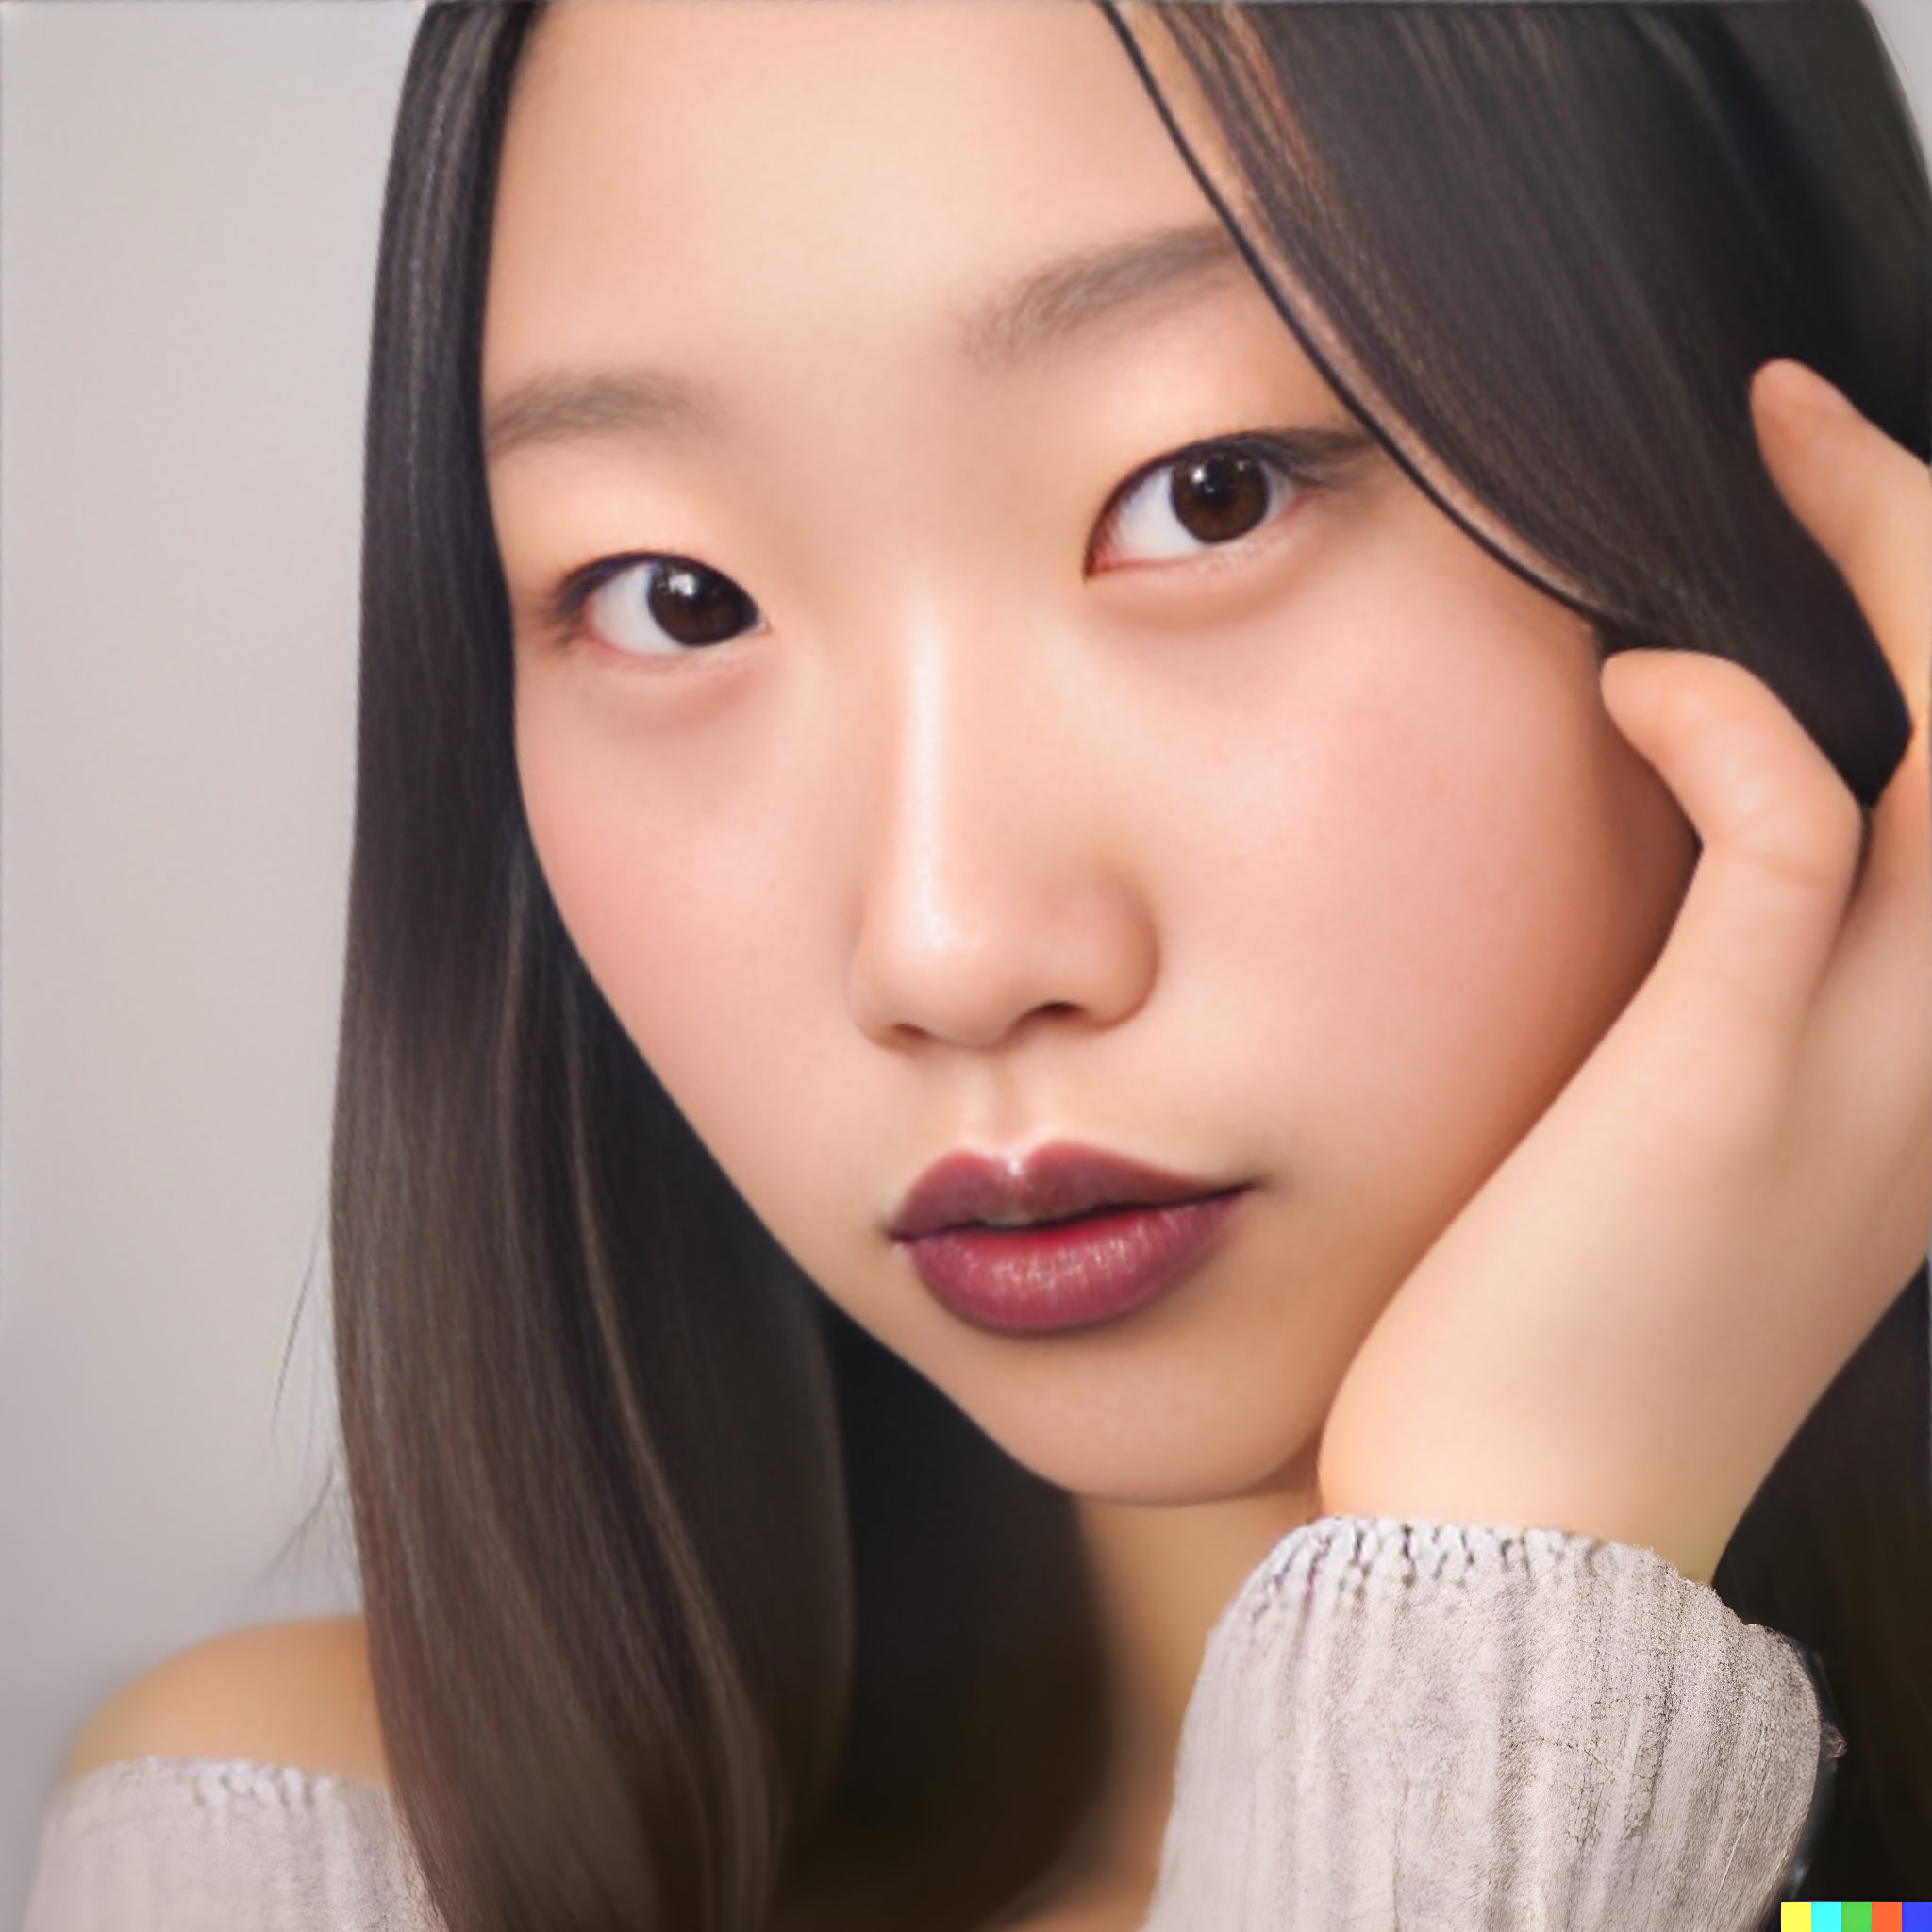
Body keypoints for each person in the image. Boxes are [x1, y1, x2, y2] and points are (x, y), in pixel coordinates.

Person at [23, 1, 1932, 1926]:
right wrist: (1514, 1575)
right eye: (672, 600)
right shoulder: (315, 1853)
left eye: (1208, 493)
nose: (944, 944)